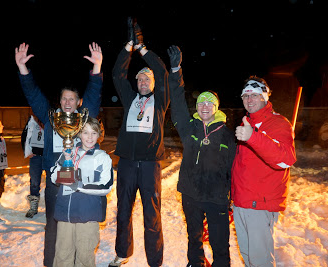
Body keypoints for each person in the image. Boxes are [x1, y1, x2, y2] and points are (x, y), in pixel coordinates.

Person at [15, 42, 103, 266]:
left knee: (79, 225)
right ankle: (51, 262)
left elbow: (94, 95)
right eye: (64, 98)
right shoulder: (50, 117)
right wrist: (23, 69)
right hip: (56, 184)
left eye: (72, 99)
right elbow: (33, 95)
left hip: (81, 182)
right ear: (59, 100)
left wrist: (97, 69)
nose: (67, 102)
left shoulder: (84, 117)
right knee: (54, 225)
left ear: (78, 102)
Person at [167, 46, 236, 267]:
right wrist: (176, 71)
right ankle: (194, 264)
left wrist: (233, 197)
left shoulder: (228, 134)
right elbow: (176, 104)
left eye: (209, 103)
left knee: (219, 243)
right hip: (191, 194)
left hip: (217, 197)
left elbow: (234, 168)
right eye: (201, 102)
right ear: (197, 107)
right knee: (194, 240)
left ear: (216, 108)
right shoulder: (189, 128)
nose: (205, 105)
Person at [109, 18, 169, 267]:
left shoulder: (160, 101)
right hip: (126, 164)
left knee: (151, 215)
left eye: (148, 79)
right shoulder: (130, 98)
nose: (143, 82)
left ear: (153, 84)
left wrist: (143, 48)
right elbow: (117, 74)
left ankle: (154, 260)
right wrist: (128, 48)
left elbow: (163, 71)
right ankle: (123, 252)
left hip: (149, 167)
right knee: (123, 211)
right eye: (140, 79)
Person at [231, 76, 297, 266]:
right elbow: (242, 165)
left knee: (260, 260)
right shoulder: (247, 123)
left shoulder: (279, 124)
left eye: (254, 95)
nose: (249, 100)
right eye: (245, 96)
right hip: (242, 202)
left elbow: (285, 159)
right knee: (248, 256)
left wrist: (254, 137)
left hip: (260, 205)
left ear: (265, 97)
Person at [50, 117, 113, 267]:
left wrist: (78, 185)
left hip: (87, 215)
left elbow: (106, 186)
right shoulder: (68, 152)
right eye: (85, 133)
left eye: (94, 133)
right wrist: (64, 161)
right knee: (62, 255)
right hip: (65, 213)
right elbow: (53, 177)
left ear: (99, 135)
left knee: (85, 257)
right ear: (78, 134)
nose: (90, 137)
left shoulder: (102, 157)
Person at [21, 113, 44, 218]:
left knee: (53, 183)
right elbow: (24, 136)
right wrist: (27, 151)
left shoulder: (51, 118)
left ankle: (52, 208)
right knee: (34, 182)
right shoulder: (32, 120)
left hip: (48, 156)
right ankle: (33, 208)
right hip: (35, 157)